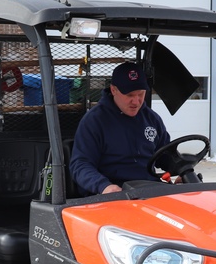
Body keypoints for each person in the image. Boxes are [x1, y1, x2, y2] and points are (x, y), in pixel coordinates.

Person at [70, 61, 170, 195]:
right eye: (129, 95)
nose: (136, 101)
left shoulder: (151, 119)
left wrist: (182, 169)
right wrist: (104, 187)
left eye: (140, 94)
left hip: (148, 189)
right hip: (114, 193)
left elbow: (166, 154)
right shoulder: (95, 121)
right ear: (113, 90)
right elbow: (80, 164)